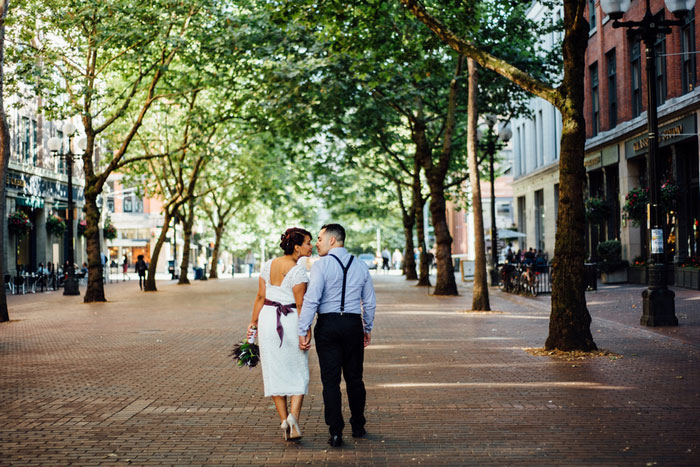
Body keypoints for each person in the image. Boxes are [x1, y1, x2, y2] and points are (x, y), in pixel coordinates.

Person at [298, 224, 376, 448]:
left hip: (328, 325)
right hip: (352, 324)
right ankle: (358, 425)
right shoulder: (361, 265)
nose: (316, 243)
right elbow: (369, 302)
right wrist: (367, 327)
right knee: (354, 378)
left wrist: (303, 329)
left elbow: (312, 299)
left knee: (330, 381)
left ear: (332, 240)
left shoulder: (321, 267)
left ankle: (335, 431)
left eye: (320, 238)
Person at [247, 228, 313, 442]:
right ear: (297, 247)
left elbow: (259, 296)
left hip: (268, 320)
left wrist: (253, 323)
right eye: (308, 243)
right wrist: (306, 330)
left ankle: (284, 420)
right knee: (299, 370)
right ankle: (294, 419)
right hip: (290, 320)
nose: (311, 246)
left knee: (274, 370)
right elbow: (301, 304)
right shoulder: (298, 271)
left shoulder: (267, 265)